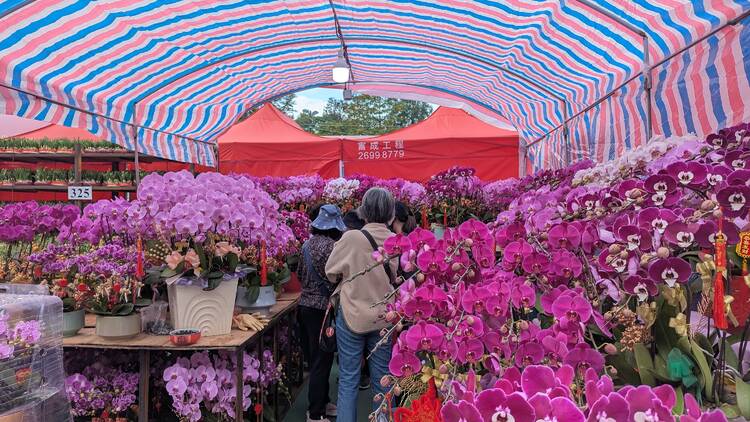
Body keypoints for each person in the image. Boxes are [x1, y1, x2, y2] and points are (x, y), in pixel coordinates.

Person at [326, 188, 397, 422]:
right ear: (391, 212)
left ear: (364, 211)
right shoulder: (395, 241)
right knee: (383, 379)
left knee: (348, 379)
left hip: (352, 314)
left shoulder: (351, 238)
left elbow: (330, 272)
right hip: (384, 317)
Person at [297, 204, 346, 422]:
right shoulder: (334, 247)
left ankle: (324, 402)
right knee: (322, 360)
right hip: (323, 310)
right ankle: (315, 413)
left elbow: (299, 273)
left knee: (315, 356)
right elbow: (337, 277)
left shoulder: (306, 245)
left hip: (305, 306)